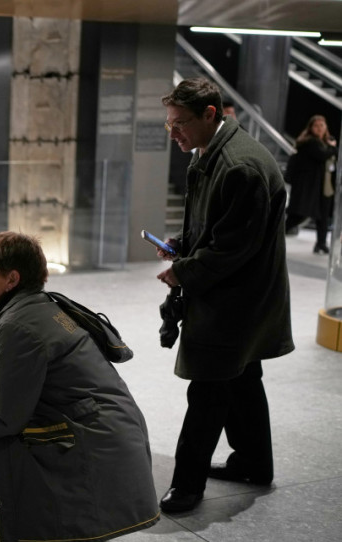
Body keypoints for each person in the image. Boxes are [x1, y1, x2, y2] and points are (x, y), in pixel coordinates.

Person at [0, 232, 158, 542]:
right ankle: (72, 523)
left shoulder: (17, 325)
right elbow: (12, 388)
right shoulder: (39, 308)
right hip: (105, 435)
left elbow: (4, 418)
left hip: (94, 443)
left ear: (12, 279)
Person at [156, 77, 294, 513]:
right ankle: (254, 463)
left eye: (179, 123)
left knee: (209, 388)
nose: (173, 132)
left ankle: (187, 485)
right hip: (238, 298)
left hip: (236, 303)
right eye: (169, 123)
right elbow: (216, 226)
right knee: (242, 378)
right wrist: (182, 244)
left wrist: (182, 272)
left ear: (210, 114)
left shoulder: (239, 166)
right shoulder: (212, 152)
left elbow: (232, 249)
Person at [285, 114, 337, 254]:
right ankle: (277, 232)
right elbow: (322, 155)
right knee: (298, 215)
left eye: (322, 125)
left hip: (324, 187)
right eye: (316, 126)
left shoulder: (325, 142)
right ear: (310, 128)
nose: (319, 128)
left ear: (326, 127)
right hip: (309, 187)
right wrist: (332, 147)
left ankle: (321, 243)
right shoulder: (310, 142)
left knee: (323, 217)